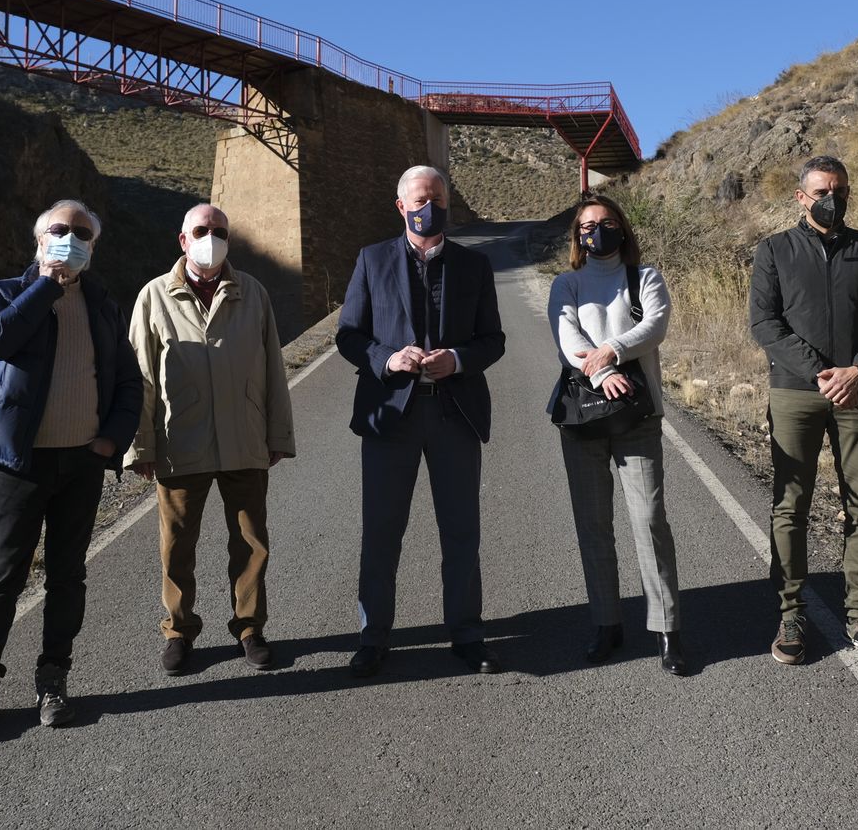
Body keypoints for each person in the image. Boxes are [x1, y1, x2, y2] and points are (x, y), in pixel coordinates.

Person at [0, 199, 143, 740]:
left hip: (82, 462)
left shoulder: (104, 306)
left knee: (68, 577)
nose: (69, 237)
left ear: (94, 244)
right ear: (39, 241)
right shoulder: (4, 292)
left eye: (80, 233)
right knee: (2, 577)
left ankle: (53, 678)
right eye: (58, 230)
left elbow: (128, 382)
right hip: (21, 463)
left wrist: (111, 440)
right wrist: (48, 286)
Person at [336, 165, 506, 678]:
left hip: (455, 413)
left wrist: (457, 358)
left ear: (445, 203)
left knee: (461, 532)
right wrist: (388, 359)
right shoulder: (371, 260)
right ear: (401, 206)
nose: (425, 206)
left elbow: (493, 340)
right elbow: (349, 335)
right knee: (382, 532)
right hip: (392, 415)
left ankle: (468, 635)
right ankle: (374, 637)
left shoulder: (475, 266)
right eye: (417, 199)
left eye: (434, 198)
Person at [124, 204, 295, 676]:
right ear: (183, 240)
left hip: (245, 439)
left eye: (219, 231)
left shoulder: (253, 293)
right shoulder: (154, 296)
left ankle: (250, 628)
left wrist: (277, 433)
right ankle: (179, 632)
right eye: (201, 230)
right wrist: (141, 445)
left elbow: (273, 370)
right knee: (176, 544)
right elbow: (139, 377)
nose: (210, 238)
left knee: (251, 541)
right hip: (181, 442)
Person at [750, 155, 858, 666]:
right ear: (801, 196)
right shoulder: (774, 251)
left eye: (838, 189)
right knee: (790, 505)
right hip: (796, 392)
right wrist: (821, 371)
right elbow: (765, 324)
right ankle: (789, 615)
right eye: (820, 190)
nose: (830, 198)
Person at [548, 193, 689, 675]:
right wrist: (602, 372)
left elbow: (656, 326)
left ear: (623, 229)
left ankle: (667, 629)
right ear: (577, 237)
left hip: (638, 419)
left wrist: (610, 350)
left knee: (649, 520)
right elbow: (568, 340)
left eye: (607, 223)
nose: (597, 231)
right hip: (584, 419)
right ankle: (606, 623)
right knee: (594, 526)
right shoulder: (565, 283)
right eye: (588, 225)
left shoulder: (644, 277)